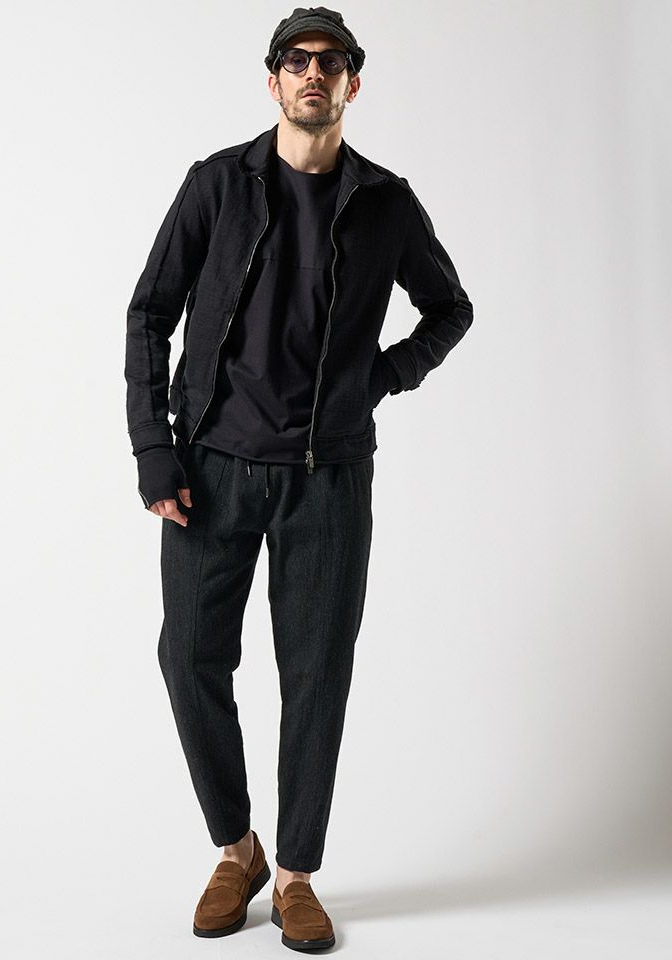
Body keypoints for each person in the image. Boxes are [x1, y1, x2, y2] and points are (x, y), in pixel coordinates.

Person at [124, 6, 473, 950]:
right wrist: (154, 450)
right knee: (189, 659)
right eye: (296, 59)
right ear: (273, 79)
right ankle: (236, 850)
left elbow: (450, 307)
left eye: (331, 61)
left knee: (316, 676)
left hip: (329, 480)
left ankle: (295, 876)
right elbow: (150, 312)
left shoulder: (386, 203)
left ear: (353, 81)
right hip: (209, 469)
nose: (313, 73)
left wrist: (379, 378)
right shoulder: (216, 185)